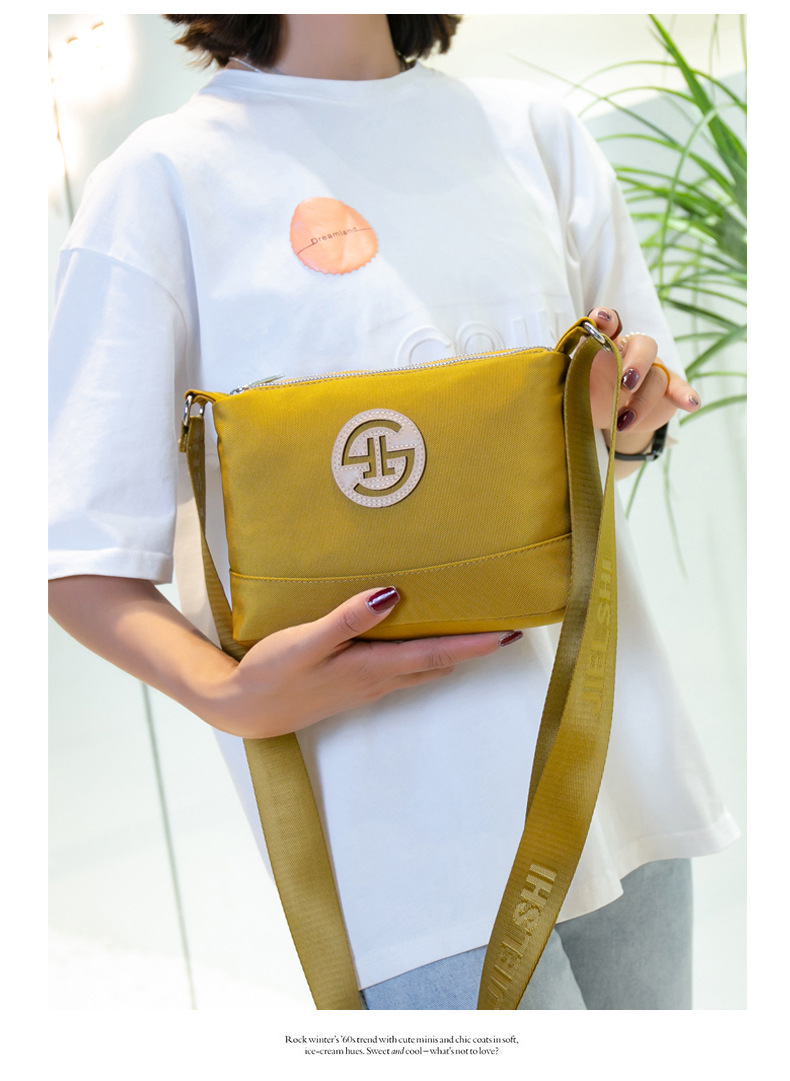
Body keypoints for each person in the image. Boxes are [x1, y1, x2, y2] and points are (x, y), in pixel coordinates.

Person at [48, 14, 738, 1010]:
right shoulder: (161, 186)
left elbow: (605, 450)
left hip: (612, 755)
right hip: (403, 839)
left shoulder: (534, 134)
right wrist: (226, 695)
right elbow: (76, 554)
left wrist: (628, 418)